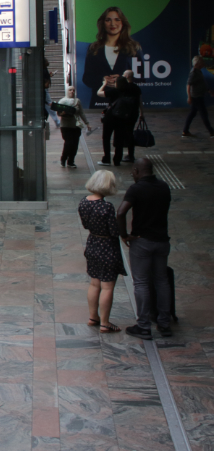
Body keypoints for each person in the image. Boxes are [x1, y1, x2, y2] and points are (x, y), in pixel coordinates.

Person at [117, 158, 173, 340]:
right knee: (161, 281)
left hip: (142, 241)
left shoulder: (136, 189)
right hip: (162, 241)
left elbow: (121, 212)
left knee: (141, 282)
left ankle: (143, 326)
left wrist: (124, 234)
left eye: (133, 172)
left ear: (136, 170)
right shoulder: (164, 186)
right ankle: (164, 323)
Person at [78, 170, 126, 333]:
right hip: (107, 247)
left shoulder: (83, 202)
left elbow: (85, 224)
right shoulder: (106, 207)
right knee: (107, 286)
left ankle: (93, 317)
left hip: (92, 243)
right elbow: (113, 231)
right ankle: (105, 322)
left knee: (94, 282)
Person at [82, 7, 143, 110]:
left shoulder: (133, 47)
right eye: (108, 20)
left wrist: (122, 80)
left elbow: (141, 76)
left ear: (123, 23)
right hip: (100, 102)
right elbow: (86, 78)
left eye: (117, 19)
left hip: (125, 101)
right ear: (103, 23)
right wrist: (103, 79)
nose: (112, 24)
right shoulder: (94, 48)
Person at [97, 75, 138, 166]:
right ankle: (117, 160)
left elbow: (99, 93)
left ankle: (106, 159)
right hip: (123, 118)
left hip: (110, 117)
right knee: (119, 139)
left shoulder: (114, 91)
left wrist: (104, 84)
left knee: (106, 138)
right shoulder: (130, 91)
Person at [57, 86, 92, 168]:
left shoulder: (77, 101)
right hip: (66, 126)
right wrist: (63, 113)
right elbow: (59, 113)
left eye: (73, 90)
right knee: (68, 143)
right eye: (70, 90)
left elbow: (81, 113)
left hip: (76, 126)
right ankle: (63, 158)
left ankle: (71, 161)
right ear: (67, 91)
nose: (72, 91)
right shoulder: (62, 101)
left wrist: (87, 123)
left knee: (75, 144)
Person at [182, 56, 214, 138]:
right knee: (204, 114)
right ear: (198, 64)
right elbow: (188, 85)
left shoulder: (198, 71)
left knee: (192, 113)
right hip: (196, 97)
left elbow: (201, 83)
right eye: (202, 62)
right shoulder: (194, 73)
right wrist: (189, 97)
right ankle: (211, 131)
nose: (203, 63)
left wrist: (208, 90)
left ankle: (185, 131)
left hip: (199, 96)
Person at [43, 59, 60, 130]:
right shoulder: (43, 69)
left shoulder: (43, 68)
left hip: (44, 88)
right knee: (49, 104)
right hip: (43, 89)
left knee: (47, 105)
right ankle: (57, 121)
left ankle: (56, 121)